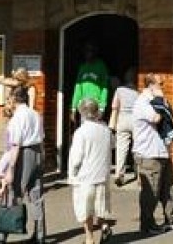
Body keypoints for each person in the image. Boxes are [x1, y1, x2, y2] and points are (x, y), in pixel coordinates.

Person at [0, 86, 47, 244]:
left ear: (14, 99)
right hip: (37, 152)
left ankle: (1, 235)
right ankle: (40, 236)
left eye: (9, 98)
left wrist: (10, 170)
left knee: (13, 192)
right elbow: (41, 137)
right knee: (36, 196)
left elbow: (16, 145)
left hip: (24, 154)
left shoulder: (18, 117)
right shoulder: (35, 114)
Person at [131, 73, 173, 234]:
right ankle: (147, 224)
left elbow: (170, 113)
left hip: (161, 150)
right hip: (148, 153)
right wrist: (159, 100)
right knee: (151, 190)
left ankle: (172, 217)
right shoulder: (142, 102)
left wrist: (161, 101)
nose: (162, 86)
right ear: (150, 85)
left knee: (169, 186)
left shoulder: (155, 100)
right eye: (160, 84)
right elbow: (157, 118)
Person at [68, 98, 114, 244]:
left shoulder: (81, 133)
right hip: (102, 174)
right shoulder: (105, 130)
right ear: (96, 113)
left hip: (85, 177)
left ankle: (89, 239)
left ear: (82, 113)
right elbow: (113, 145)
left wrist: (72, 174)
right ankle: (105, 226)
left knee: (86, 209)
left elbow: (76, 157)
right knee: (101, 206)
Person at [108, 67, 138, 186]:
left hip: (122, 118)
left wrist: (112, 123)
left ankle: (119, 174)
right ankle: (139, 173)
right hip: (135, 120)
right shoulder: (138, 91)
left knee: (121, 148)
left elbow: (114, 106)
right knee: (137, 148)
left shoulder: (119, 90)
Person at [71, 42, 109, 125]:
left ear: (95, 52)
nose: (89, 53)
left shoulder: (101, 66)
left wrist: (102, 108)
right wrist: (73, 108)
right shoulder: (82, 67)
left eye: (91, 50)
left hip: (96, 106)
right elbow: (78, 89)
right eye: (87, 51)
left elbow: (104, 88)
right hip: (84, 106)